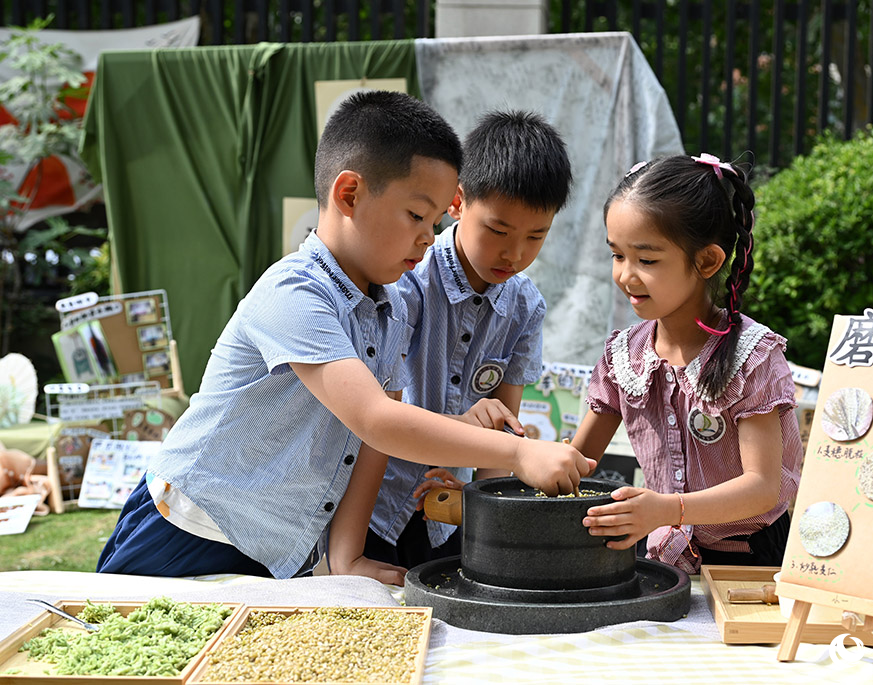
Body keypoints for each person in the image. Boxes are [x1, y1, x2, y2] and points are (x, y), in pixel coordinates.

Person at [96, 91, 592, 584]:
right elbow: (376, 420)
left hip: (277, 547)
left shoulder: (391, 306)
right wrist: (520, 453)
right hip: (187, 522)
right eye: (417, 217)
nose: (427, 237)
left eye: (435, 220)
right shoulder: (295, 290)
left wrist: (346, 557)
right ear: (349, 194)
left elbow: (368, 445)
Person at [571, 154, 801, 573]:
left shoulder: (753, 357)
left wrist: (668, 509)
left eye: (647, 260)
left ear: (708, 261)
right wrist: (493, 482)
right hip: (667, 555)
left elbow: (763, 488)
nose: (626, 275)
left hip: (752, 560)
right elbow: (576, 462)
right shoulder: (623, 355)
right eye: (617, 255)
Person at [364, 110, 573, 570]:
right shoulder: (407, 280)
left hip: (448, 515)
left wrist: (480, 498)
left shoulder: (525, 307)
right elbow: (378, 421)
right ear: (458, 202)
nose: (514, 254)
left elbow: (506, 434)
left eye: (536, 236)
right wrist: (463, 428)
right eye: (497, 231)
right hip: (372, 511)